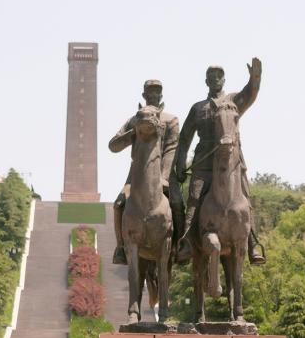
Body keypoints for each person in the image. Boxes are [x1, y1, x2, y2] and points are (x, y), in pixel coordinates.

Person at [173, 60, 266, 265]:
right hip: (204, 164)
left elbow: (250, 93)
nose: (215, 79)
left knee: (245, 197)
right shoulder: (198, 108)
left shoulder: (233, 102)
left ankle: (251, 242)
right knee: (194, 198)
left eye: (219, 76)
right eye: (211, 76)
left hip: (231, 166)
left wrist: (255, 78)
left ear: (224, 80)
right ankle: (187, 242)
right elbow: (185, 138)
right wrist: (180, 162)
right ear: (206, 81)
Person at [108, 79, 181, 265]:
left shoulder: (170, 120)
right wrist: (134, 131)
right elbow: (113, 146)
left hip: (162, 175)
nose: (153, 95)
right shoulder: (134, 119)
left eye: (157, 92)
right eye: (150, 92)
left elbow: (171, 149)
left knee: (177, 203)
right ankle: (120, 248)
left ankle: (180, 245)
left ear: (161, 95)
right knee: (118, 204)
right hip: (136, 177)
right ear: (144, 95)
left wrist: (164, 177)